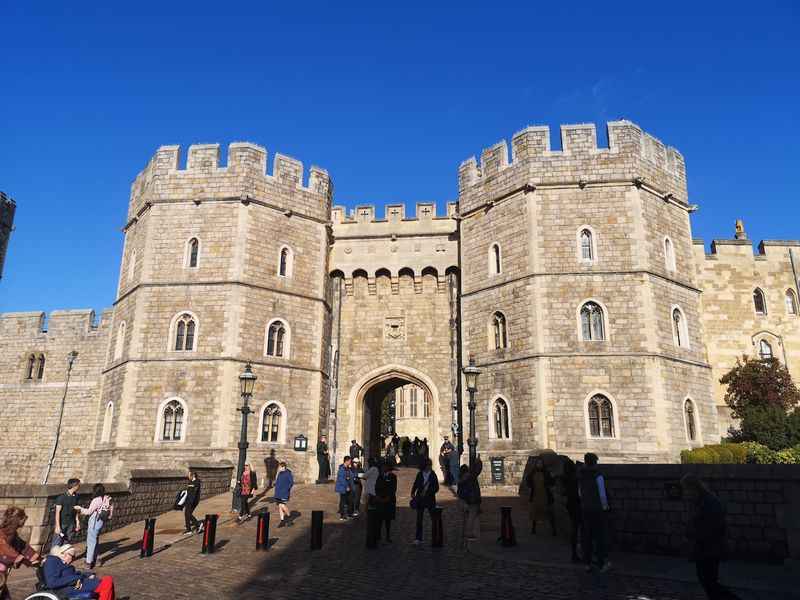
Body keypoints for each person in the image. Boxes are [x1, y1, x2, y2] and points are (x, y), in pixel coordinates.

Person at [681, 474, 742, 600]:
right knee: (707, 583)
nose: (686, 493)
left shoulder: (709, 502)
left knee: (710, 583)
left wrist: (694, 533)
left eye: (687, 489)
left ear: (694, 488)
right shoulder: (700, 502)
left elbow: (713, 527)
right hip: (704, 549)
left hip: (710, 549)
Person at [43, 544, 115, 600]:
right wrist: (75, 579)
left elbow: (73, 574)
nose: (73, 559)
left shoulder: (60, 563)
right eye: (72, 556)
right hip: (69, 588)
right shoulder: (52, 561)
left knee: (107, 581)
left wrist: (86, 575)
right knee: (107, 581)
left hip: (77, 584)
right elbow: (52, 583)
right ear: (65, 554)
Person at [578, 452, 611, 573]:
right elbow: (602, 494)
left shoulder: (581, 475)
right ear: (595, 462)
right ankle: (602, 563)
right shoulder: (598, 475)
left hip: (585, 508)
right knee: (600, 536)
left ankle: (587, 563)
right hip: (597, 510)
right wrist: (605, 507)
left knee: (587, 536)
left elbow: (580, 493)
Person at [0, 507, 40, 600]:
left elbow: (23, 547)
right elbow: (6, 549)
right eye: (23, 519)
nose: (24, 522)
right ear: (17, 520)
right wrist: (21, 559)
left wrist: (36, 558)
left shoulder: (12, 534)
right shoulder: (2, 533)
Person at [77, 484, 113, 569]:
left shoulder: (96, 500)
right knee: (95, 541)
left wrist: (80, 509)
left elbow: (89, 512)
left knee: (91, 542)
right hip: (101, 522)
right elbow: (110, 513)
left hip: (94, 522)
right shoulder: (108, 498)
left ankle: (88, 562)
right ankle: (96, 560)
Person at [410, 458, 439, 545]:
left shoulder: (433, 475)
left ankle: (435, 538)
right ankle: (418, 538)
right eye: (428, 465)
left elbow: (436, 487)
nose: (430, 466)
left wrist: (429, 492)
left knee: (433, 519)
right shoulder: (420, 474)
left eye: (430, 465)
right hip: (420, 499)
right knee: (419, 519)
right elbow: (415, 484)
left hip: (430, 499)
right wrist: (412, 492)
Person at [526, 457, 556, 535]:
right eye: (538, 463)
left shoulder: (546, 473)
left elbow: (552, 482)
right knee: (535, 513)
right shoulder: (533, 473)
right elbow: (528, 482)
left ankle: (553, 530)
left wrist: (552, 478)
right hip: (536, 494)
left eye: (541, 463)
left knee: (549, 513)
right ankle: (533, 529)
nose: (539, 465)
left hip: (545, 495)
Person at [560, 457, 582, 562]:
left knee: (574, 528)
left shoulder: (564, 478)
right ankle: (579, 552)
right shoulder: (575, 479)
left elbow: (563, 492)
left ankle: (574, 553)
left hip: (570, 505)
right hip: (577, 505)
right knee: (580, 529)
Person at [457, 456, 483, 542]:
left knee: (468, 517)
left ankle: (467, 533)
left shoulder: (461, 480)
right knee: (471, 517)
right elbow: (477, 471)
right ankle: (469, 533)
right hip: (472, 500)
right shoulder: (470, 477)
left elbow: (459, 492)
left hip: (465, 500)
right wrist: (478, 462)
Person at [374, 461, 398, 543]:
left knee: (388, 520)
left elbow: (393, 489)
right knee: (379, 519)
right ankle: (378, 535)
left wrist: (387, 497)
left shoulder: (393, 477)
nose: (382, 468)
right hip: (380, 500)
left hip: (389, 501)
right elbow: (376, 487)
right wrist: (378, 497)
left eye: (384, 467)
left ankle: (387, 536)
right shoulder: (380, 476)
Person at [54, 478, 82, 546]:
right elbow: (57, 513)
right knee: (57, 543)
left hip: (71, 523)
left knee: (66, 543)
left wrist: (77, 522)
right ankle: (54, 556)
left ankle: (63, 556)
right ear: (74, 486)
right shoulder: (61, 497)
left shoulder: (76, 497)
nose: (79, 486)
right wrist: (58, 526)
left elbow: (76, 510)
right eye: (78, 485)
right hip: (62, 523)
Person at [274, 462, 294, 528]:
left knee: (282, 505)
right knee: (280, 506)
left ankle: (289, 517)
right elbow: (277, 481)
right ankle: (282, 520)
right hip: (278, 493)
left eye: (280, 467)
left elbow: (291, 482)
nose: (279, 469)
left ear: (283, 467)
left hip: (284, 493)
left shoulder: (288, 473)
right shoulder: (280, 473)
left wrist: (286, 489)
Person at [335, 456, 354, 520]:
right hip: (343, 488)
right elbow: (341, 479)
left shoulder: (348, 468)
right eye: (350, 461)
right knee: (343, 501)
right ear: (347, 461)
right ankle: (342, 515)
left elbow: (351, 475)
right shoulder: (342, 468)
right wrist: (347, 486)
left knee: (347, 501)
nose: (350, 462)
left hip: (347, 488)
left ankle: (347, 514)